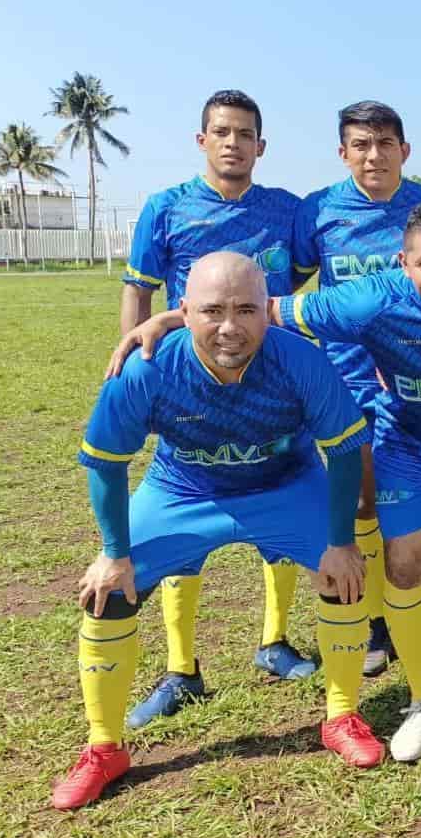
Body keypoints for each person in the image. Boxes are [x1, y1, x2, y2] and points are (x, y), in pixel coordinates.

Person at [56, 253, 375, 811]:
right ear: (183, 311)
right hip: (184, 489)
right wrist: (112, 553)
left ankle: (342, 715)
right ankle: (104, 748)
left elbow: (345, 450)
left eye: (247, 309)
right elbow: (106, 462)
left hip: (285, 483)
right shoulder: (147, 368)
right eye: (212, 311)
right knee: (107, 593)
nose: (230, 327)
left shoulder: (300, 360)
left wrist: (342, 542)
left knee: (342, 574)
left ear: (268, 310)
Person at [119, 91, 316, 730]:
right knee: (186, 512)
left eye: (245, 134)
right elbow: (139, 293)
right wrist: (132, 363)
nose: (233, 142)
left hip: (273, 388)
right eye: (222, 132)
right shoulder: (165, 208)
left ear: (261, 146)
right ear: (201, 139)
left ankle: (274, 640)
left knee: (280, 496)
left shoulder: (286, 213)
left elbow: (311, 284)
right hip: (190, 389)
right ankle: (181, 669)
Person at [292, 101, 421, 677]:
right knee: (361, 502)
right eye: (361, 144)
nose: (374, 154)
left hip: (418, 383)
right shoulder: (317, 212)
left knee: (418, 509)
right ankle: (377, 624)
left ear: (404, 150)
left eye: (386, 143)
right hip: (343, 382)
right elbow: (289, 292)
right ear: (343, 153)